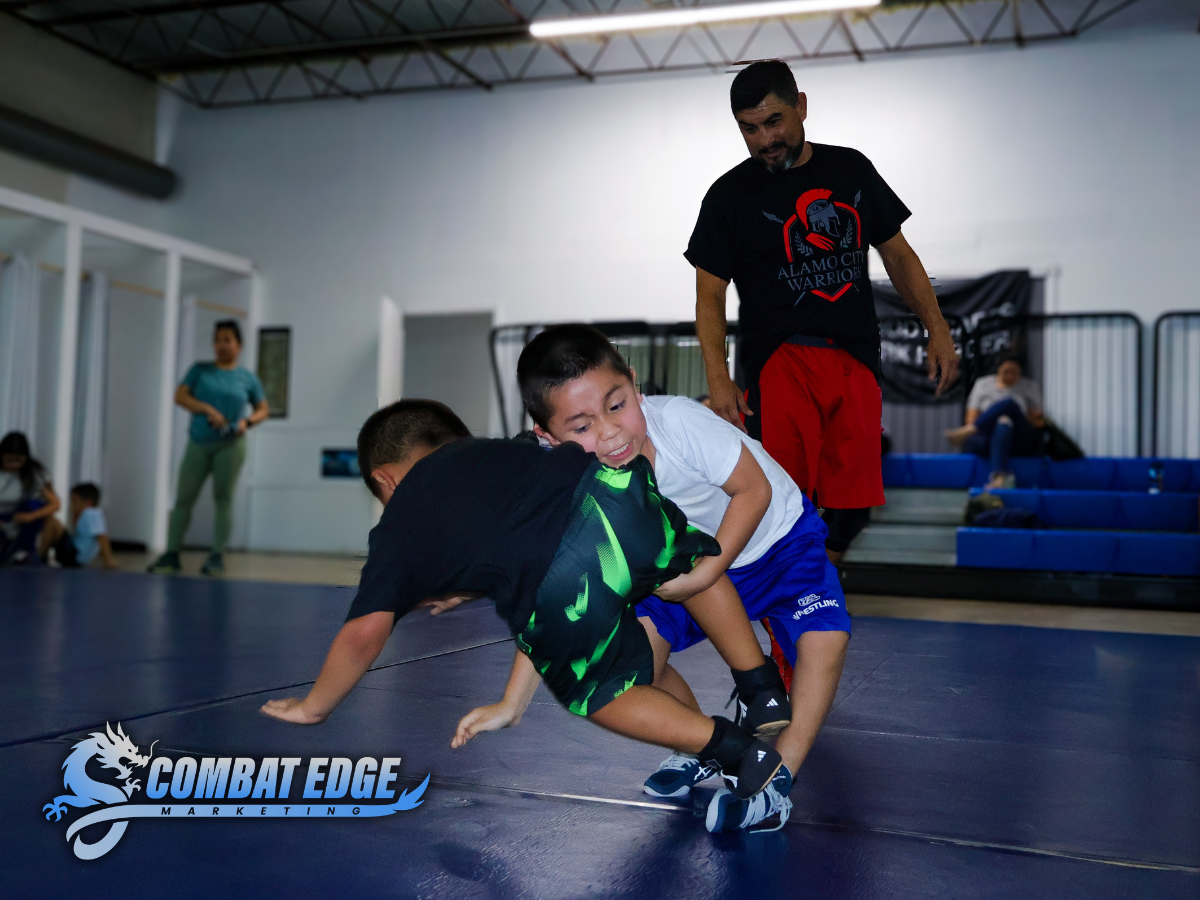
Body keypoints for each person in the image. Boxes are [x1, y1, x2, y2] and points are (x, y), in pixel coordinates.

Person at [260, 399, 788, 808]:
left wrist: (315, 706)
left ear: (385, 479)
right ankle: (759, 684)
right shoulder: (502, 451)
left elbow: (364, 634)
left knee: (604, 692)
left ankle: (738, 751)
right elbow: (515, 533)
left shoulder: (402, 517)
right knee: (684, 563)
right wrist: (460, 588)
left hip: (566, 579)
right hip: (619, 498)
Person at [456, 326, 849, 833]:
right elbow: (553, 605)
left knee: (827, 641)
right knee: (630, 663)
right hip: (685, 570)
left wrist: (707, 572)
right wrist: (513, 702)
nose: (612, 433)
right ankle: (704, 744)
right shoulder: (573, 494)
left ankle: (778, 776)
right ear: (548, 437)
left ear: (635, 387)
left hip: (776, 539)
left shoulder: (680, 422)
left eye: (617, 406)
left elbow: (753, 492)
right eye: (582, 427)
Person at [686, 60, 959, 566]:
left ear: (802, 107)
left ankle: (816, 594)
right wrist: (718, 379)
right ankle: (791, 626)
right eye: (749, 128)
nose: (764, 139)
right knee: (784, 502)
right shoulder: (729, 197)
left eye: (774, 122)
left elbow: (898, 254)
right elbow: (709, 295)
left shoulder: (849, 169)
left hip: (853, 355)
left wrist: (937, 329)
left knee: (851, 508)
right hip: (780, 362)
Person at [148, 320, 269, 576]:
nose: (221, 345)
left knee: (222, 499)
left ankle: (216, 555)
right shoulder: (199, 370)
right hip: (199, 443)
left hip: (231, 445)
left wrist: (246, 422)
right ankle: (171, 554)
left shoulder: (247, 378)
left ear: (239, 345)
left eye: (227, 340)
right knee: (183, 498)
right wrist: (207, 409)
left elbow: (263, 409)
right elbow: (180, 396)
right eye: (217, 340)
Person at [946, 356, 1044, 489]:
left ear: (1020, 372)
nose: (1010, 376)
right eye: (1006, 371)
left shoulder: (1029, 386)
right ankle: (999, 477)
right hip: (988, 436)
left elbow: (1037, 421)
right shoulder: (983, 385)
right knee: (1002, 422)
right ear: (998, 370)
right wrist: (996, 419)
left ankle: (967, 431)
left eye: (1014, 372)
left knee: (1009, 404)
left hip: (1019, 437)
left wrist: (1009, 416)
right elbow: (971, 418)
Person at [0, 431, 60, 565]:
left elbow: (55, 504)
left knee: (35, 504)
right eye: (9, 460)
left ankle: (24, 552)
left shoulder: (34, 473)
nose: (14, 465)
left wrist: (31, 516)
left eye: (18, 461)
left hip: (19, 518)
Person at [38, 482, 117, 570]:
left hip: (75, 556)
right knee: (54, 524)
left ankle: (38, 556)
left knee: (52, 522)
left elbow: (102, 536)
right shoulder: (87, 515)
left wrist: (108, 561)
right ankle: (41, 556)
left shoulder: (90, 513)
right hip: (74, 554)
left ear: (88, 503)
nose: (72, 507)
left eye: (74, 502)